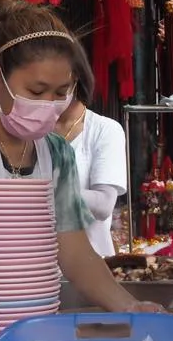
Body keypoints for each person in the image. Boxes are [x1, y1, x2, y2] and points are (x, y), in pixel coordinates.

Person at [0, 0, 160, 314]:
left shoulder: (56, 154)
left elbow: (75, 251)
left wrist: (131, 307)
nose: (50, 104)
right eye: (36, 92)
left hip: (39, 321)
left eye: (61, 92)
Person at [54, 53, 126, 257]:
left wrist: (40, 191)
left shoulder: (105, 130)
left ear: (76, 78)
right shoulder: (34, 130)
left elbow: (103, 205)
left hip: (89, 265)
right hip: (36, 267)